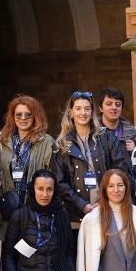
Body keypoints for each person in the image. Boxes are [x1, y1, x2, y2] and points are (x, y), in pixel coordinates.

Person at [0, 94, 58, 271]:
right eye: (18, 114)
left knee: (31, 260)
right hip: (10, 212)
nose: (22, 119)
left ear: (35, 115)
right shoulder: (2, 140)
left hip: (34, 211)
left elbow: (51, 174)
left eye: (27, 115)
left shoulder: (46, 141)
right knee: (10, 259)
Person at [56, 91, 104, 223]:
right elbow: (59, 182)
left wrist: (104, 201)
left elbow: (119, 169)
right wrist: (81, 205)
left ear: (92, 112)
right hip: (75, 215)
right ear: (71, 112)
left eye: (87, 108)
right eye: (78, 108)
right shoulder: (62, 144)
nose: (83, 112)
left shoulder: (105, 138)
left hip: (106, 211)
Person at [91, 88, 136, 176]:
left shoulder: (133, 133)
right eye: (109, 104)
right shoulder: (92, 133)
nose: (114, 107)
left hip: (125, 181)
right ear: (100, 108)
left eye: (118, 104)